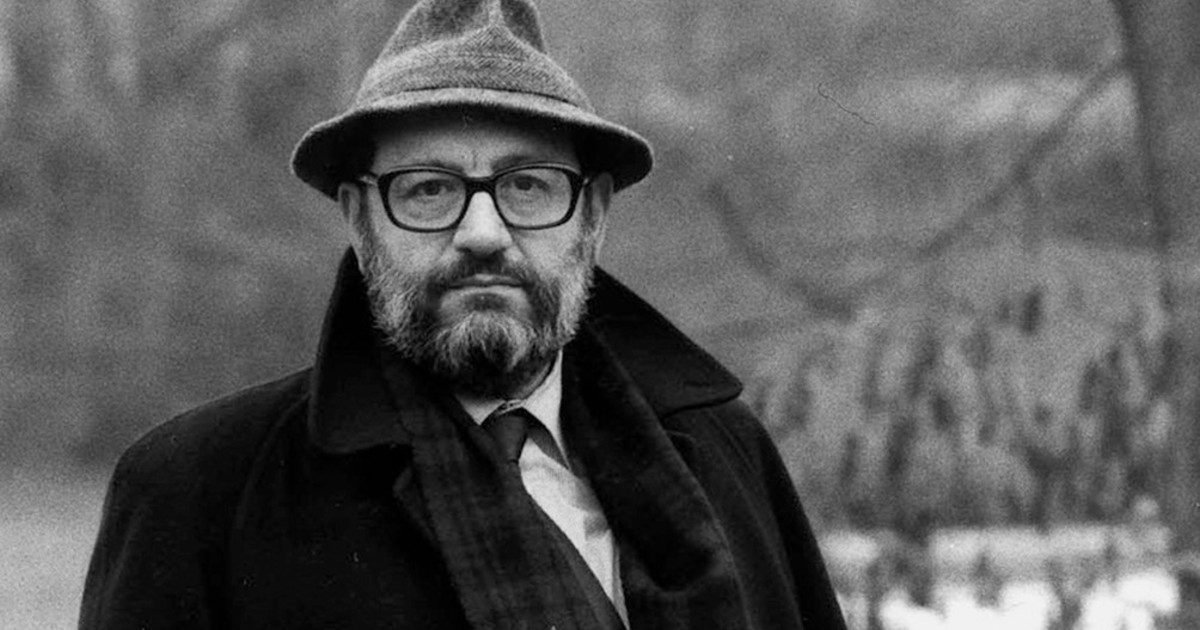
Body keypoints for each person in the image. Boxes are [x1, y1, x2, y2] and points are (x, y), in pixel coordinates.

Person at [78, 1, 847, 628]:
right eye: (428, 190)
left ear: (593, 216)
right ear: (359, 218)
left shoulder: (723, 450)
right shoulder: (200, 494)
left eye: (528, 186)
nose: (483, 233)